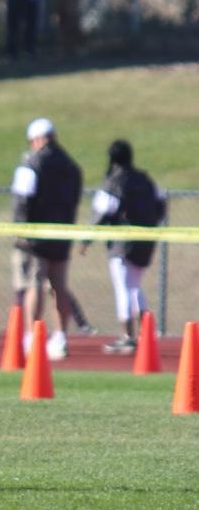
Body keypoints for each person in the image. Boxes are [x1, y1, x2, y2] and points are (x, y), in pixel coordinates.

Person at [11, 117, 83, 359]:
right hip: (63, 232)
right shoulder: (71, 166)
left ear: (38, 139)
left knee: (35, 283)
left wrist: (22, 231)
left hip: (37, 232)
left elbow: (22, 199)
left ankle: (33, 335)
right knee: (59, 286)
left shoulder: (31, 163)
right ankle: (61, 336)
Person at [89, 139, 166, 354]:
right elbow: (160, 205)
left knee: (123, 287)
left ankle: (127, 335)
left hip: (122, 243)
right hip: (146, 240)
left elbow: (103, 212)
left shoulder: (114, 181)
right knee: (134, 286)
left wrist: (87, 239)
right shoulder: (145, 179)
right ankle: (146, 332)